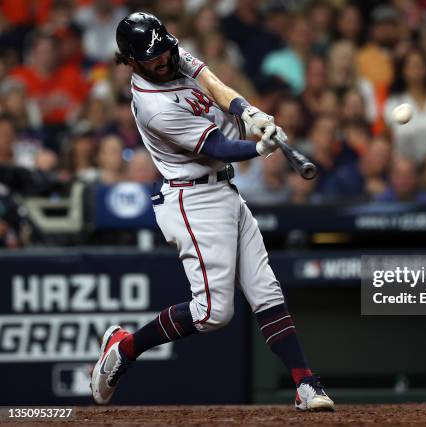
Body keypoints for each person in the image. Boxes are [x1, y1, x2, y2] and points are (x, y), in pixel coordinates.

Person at [90, 13, 334, 412]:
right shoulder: (152, 106)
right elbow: (216, 147)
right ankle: (125, 348)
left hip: (224, 191)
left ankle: (305, 383)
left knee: (266, 290)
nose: (163, 60)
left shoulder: (168, 53)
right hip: (193, 200)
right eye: (152, 58)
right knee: (212, 314)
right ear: (131, 61)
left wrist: (247, 110)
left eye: (164, 50)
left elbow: (212, 84)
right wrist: (259, 148)